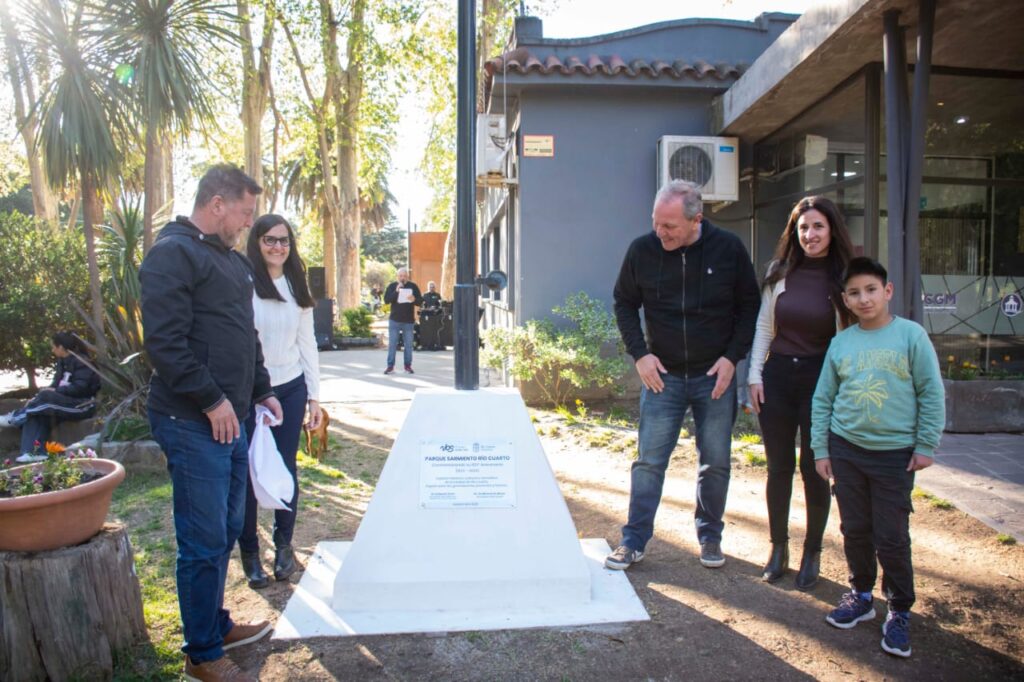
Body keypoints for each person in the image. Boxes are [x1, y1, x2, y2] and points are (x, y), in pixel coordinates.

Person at [140, 164, 283, 681]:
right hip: (191, 419)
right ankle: (201, 653)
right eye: (244, 213)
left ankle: (215, 624)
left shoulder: (231, 262)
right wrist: (212, 400)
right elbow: (165, 344)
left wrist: (262, 389)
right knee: (202, 539)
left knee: (225, 528)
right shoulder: (171, 254)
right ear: (216, 204)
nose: (247, 223)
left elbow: (246, 335)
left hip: (232, 417)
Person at [606, 179, 760, 571]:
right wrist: (640, 355)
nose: (660, 232)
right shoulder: (642, 250)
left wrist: (732, 358)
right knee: (649, 462)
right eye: (656, 223)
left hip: (715, 376)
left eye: (670, 226)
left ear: (697, 220)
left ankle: (710, 535)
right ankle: (633, 540)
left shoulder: (729, 249)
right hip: (663, 377)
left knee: (716, 462)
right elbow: (624, 303)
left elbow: (749, 307)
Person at [811, 257, 944, 659]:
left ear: (887, 291)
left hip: (894, 455)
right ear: (845, 300)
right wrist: (821, 449)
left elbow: (931, 391)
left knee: (891, 536)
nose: (864, 299)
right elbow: (823, 398)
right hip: (847, 450)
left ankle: (899, 609)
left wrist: (926, 444)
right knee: (855, 528)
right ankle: (861, 594)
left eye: (871, 290)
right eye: (854, 293)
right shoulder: (841, 342)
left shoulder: (911, 336)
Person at [747, 196, 854, 590]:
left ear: (832, 230)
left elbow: (850, 337)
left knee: (814, 468)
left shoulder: (844, 277)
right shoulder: (779, 272)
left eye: (818, 226)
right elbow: (764, 327)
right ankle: (778, 548)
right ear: (794, 232)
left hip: (820, 382)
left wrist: (843, 389)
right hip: (777, 378)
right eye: (803, 227)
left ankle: (812, 552)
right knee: (778, 468)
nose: (810, 234)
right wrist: (754, 376)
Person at [237, 214, 322, 590]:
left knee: (285, 469)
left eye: (284, 240)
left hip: (289, 389)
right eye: (270, 240)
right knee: (247, 474)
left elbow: (308, 343)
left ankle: (284, 546)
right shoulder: (242, 282)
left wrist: (314, 397)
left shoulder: (296, 283)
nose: (277, 247)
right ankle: (250, 554)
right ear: (256, 242)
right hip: (248, 392)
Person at [0, 331, 100, 462]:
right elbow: (54, 386)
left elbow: (80, 389)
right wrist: (38, 398)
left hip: (82, 405)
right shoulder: (62, 362)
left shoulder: (83, 362)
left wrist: (54, 391)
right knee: (36, 412)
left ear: (61, 347)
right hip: (62, 403)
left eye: (53, 347)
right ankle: (34, 453)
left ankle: (14, 418)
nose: (52, 350)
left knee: (42, 400)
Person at [383, 267, 422, 374]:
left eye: (404, 276)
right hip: (394, 320)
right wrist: (396, 291)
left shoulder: (413, 286)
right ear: (397, 277)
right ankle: (390, 366)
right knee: (392, 344)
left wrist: (414, 299)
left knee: (408, 345)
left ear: (407, 277)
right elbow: (386, 300)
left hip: (408, 321)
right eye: (400, 276)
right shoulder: (392, 286)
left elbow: (420, 301)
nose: (402, 278)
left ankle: (407, 366)